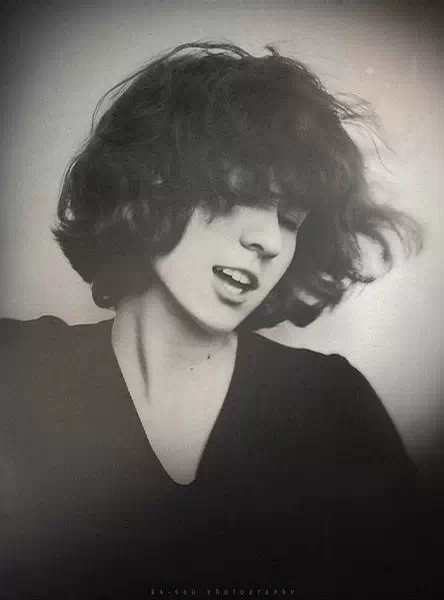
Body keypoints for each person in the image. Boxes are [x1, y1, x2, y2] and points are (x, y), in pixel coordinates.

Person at [1, 41, 424, 597]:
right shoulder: (15, 370)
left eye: (290, 219)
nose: (269, 240)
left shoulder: (334, 407)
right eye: (242, 193)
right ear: (152, 183)